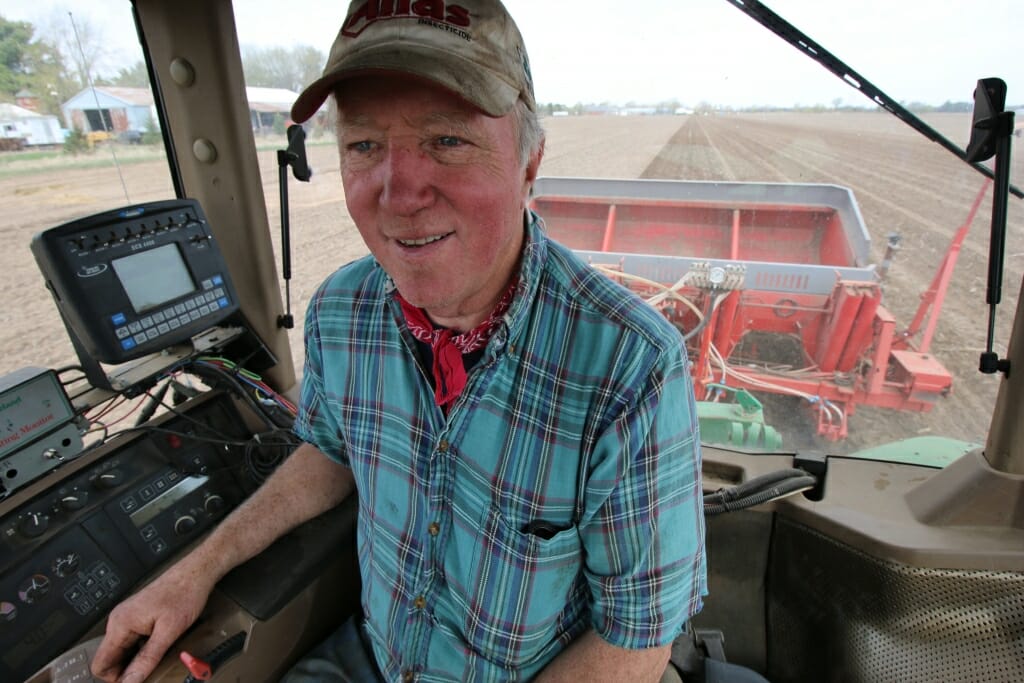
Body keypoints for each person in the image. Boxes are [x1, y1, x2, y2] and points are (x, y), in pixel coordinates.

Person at [90, 1, 706, 681]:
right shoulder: (341, 312)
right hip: (371, 659)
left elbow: (636, 643)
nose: (400, 191)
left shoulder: (630, 365)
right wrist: (194, 572)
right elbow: (329, 451)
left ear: (529, 161)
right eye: (364, 146)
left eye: (447, 140)